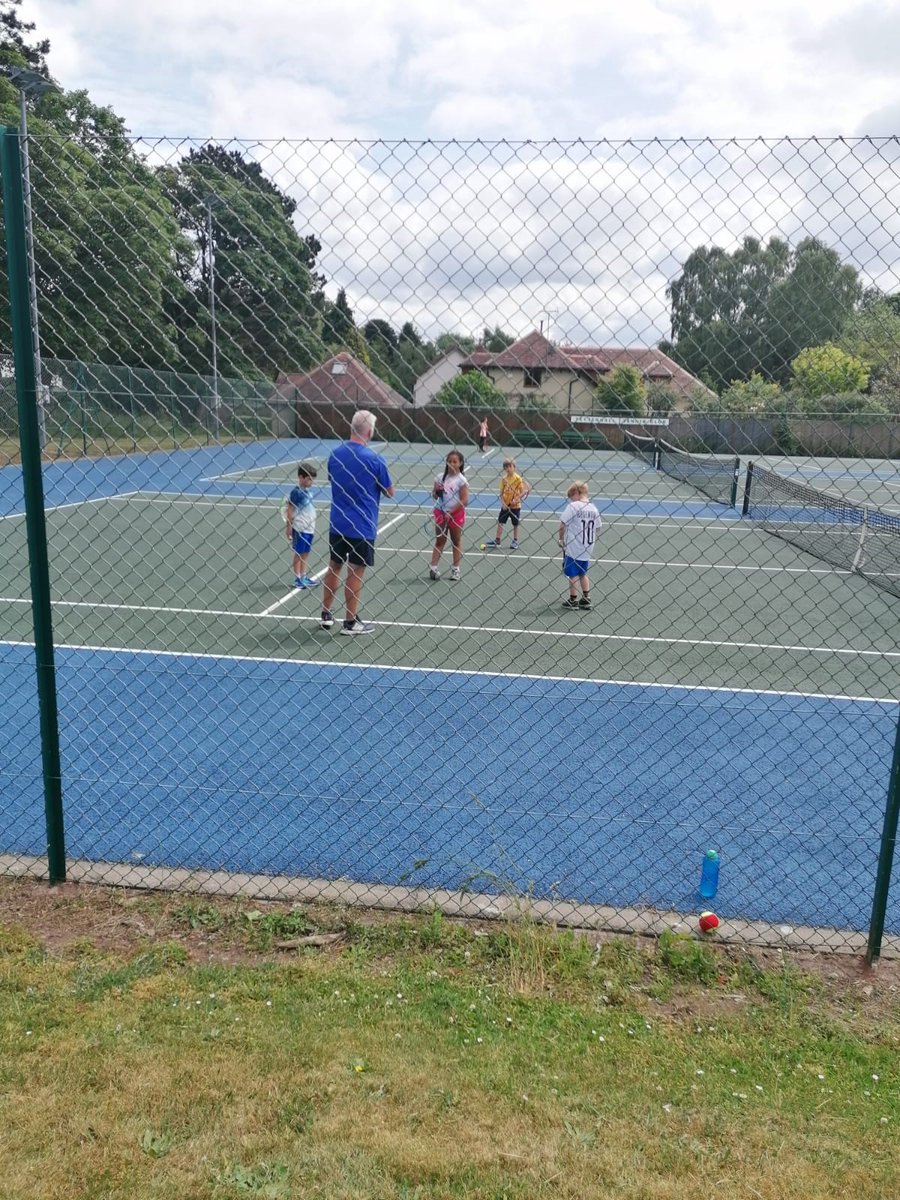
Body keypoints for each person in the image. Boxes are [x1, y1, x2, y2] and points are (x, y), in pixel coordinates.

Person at [321, 410, 395, 635]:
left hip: (338, 523)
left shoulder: (335, 455)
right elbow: (390, 492)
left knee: (334, 565)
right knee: (355, 571)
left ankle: (326, 613)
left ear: (352, 427)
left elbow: (333, 480)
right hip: (362, 525)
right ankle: (351, 623)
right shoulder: (374, 459)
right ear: (370, 431)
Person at [558, 480, 601, 610]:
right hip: (587, 547)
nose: (571, 501)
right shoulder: (593, 508)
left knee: (572, 574)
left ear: (576, 492)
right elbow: (598, 527)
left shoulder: (574, 506)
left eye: (572, 497)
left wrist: (561, 539)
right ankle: (586, 597)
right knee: (583, 572)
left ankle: (573, 599)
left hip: (574, 546)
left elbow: (562, 524)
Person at [429, 450, 469, 582]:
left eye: (455, 461)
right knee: (440, 540)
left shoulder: (461, 480)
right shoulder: (440, 477)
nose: (452, 463)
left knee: (456, 541)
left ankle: (456, 569)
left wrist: (451, 513)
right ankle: (433, 568)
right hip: (440, 512)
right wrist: (437, 491)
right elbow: (434, 495)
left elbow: (464, 500)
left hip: (456, 515)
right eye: (449, 461)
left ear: (460, 463)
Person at [284, 461, 319, 589]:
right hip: (300, 528)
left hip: (310, 528)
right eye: (309, 479)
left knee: (305, 552)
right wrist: (288, 527)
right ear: (301, 477)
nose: (311, 482)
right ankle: (297, 578)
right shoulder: (296, 492)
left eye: (312, 479)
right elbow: (290, 509)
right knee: (299, 553)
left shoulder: (309, 492)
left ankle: (304, 576)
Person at [487, 457, 531, 550]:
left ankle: (515, 541)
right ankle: (497, 540)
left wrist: (516, 499)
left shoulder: (518, 478)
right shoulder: (504, 479)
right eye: (506, 467)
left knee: (515, 524)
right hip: (505, 506)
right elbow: (501, 493)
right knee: (500, 522)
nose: (508, 468)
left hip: (516, 507)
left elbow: (523, 492)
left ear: (514, 467)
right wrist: (503, 504)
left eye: (510, 466)